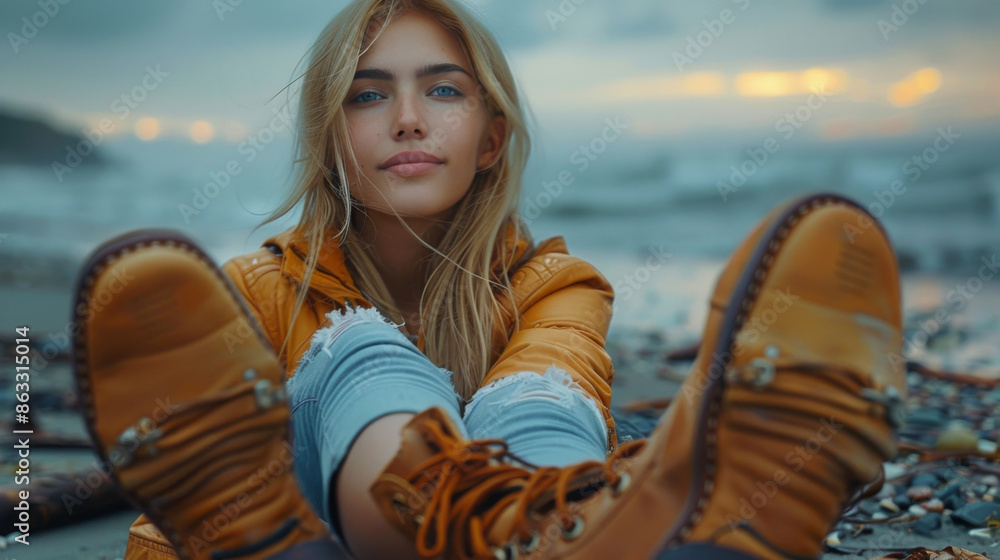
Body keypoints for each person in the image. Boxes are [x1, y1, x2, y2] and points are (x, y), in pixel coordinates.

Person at [71, 1, 906, 559]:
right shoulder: (251, 293)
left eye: (443, 90)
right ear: (329, 139)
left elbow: (556, 388)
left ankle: (546, 527)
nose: (408, 118)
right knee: (356, 344)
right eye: (368, 95)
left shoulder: (555, 284)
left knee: (540, 399)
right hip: (312, 525)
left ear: (492, 139)